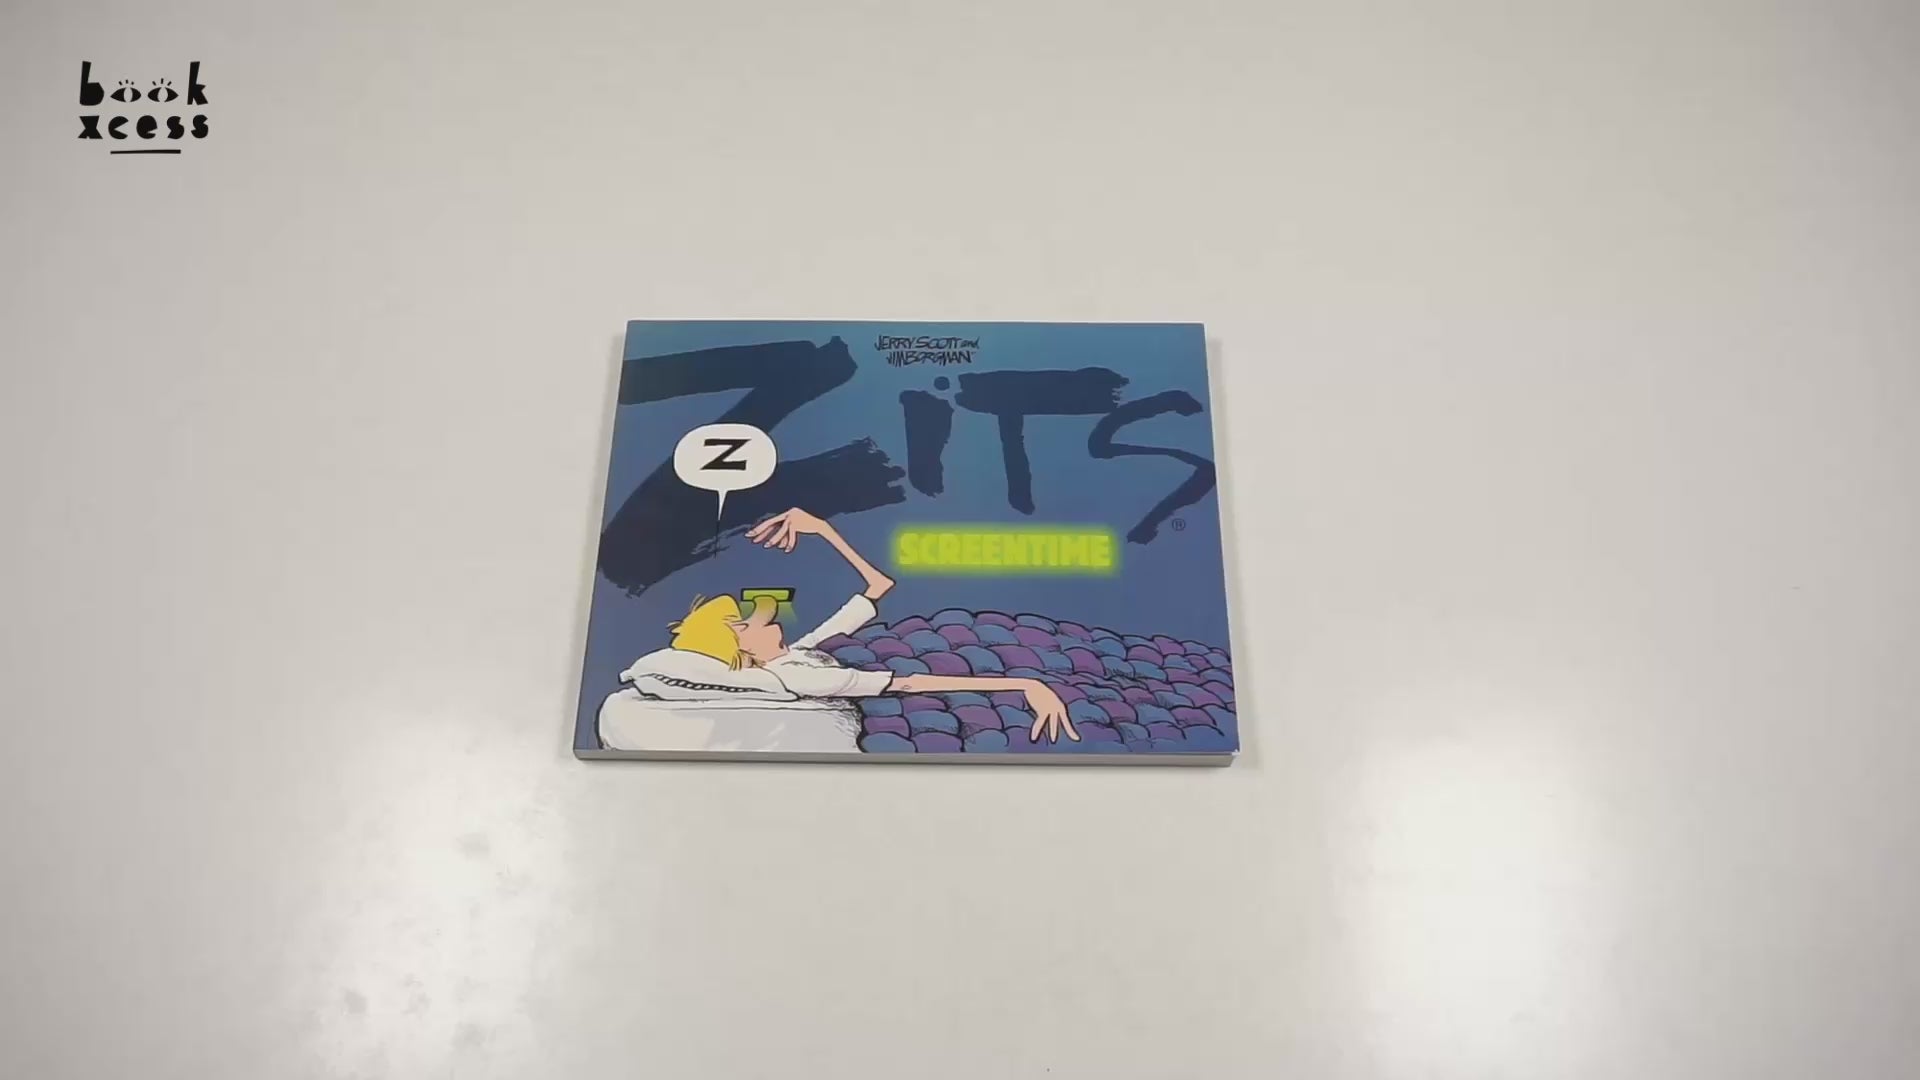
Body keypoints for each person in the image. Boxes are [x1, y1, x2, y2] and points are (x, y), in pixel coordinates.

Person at [668, 507, 1079, 743]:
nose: (758, 615)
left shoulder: (802, 651)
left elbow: (879, 586)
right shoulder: (798, 676)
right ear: (741, 651)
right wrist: (1026, 685)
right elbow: (909, 684)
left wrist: (823, 529)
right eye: (742, 625)